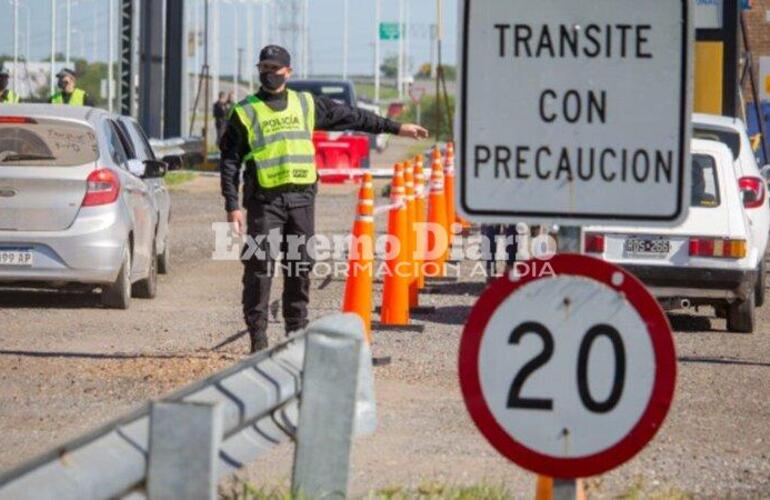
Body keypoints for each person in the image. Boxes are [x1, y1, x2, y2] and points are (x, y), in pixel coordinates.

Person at [220, 45, 429, 353]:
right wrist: (232, 205)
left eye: (274, 68)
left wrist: (396, 127)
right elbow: (229, 161)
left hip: (301, 200)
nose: (268, 73)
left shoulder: (306, 104)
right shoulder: (244, 111)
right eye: (263, 68)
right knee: (259, 268)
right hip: (264, 201)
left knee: (299, 267)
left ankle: (296, 337)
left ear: (288, 72)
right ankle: (258, 340)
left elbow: (352, 117)